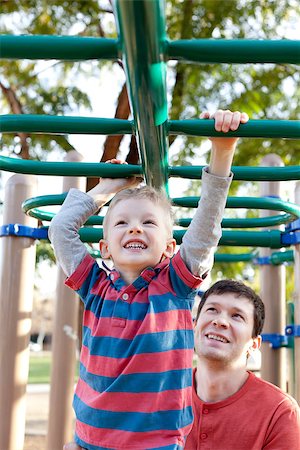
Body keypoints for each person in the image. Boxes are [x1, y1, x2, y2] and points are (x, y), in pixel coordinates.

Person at [49, 110, 248, 450]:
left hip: (154, 443)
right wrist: (105, 190)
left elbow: (205, 230)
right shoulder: (95, 287)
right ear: (105, 247)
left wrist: (222, 152)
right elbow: (60, 231)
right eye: (122, 223)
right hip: (88, 440)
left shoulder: (175, 286)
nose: (135, 227)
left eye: (149, 223)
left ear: (170, 247)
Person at [185, 279, 300, 450]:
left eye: (237, 316)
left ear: (254, 344)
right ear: (194, 326)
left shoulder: (279, 412)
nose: (220, 321)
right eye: (212, 310)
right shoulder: (160, 393)